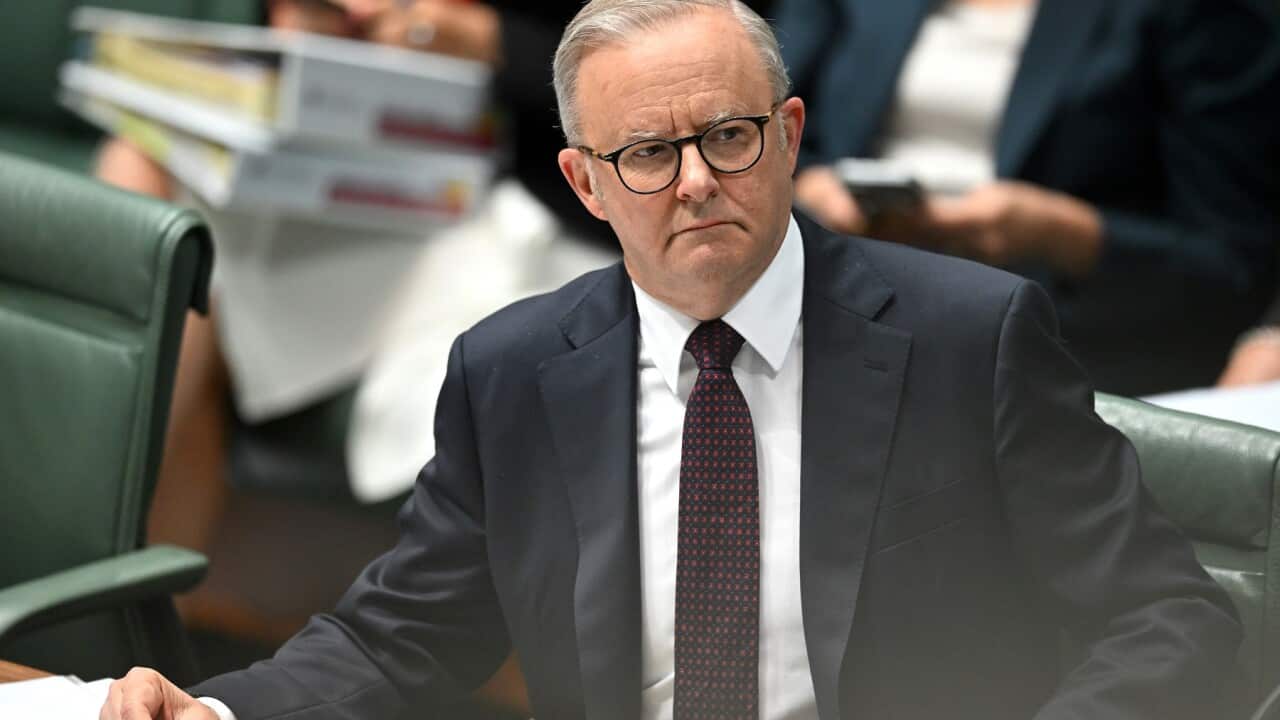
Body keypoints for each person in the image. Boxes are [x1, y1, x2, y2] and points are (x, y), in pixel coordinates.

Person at [100, 2, 1241, 719]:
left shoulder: (969, 339)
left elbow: (1166, 623)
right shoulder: (513, 372)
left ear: (789, 136)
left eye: (727, 138)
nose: (694, 181)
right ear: (585, 186)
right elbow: (393, 638)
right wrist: (220, 714)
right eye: (646, 153)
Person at [779, 0, 1280, 397]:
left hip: (1064, 331)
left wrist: (1065, 234)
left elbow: (1231, 261)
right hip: (845, 291)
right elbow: (766, 112)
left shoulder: (1193, 12)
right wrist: (810, 183)